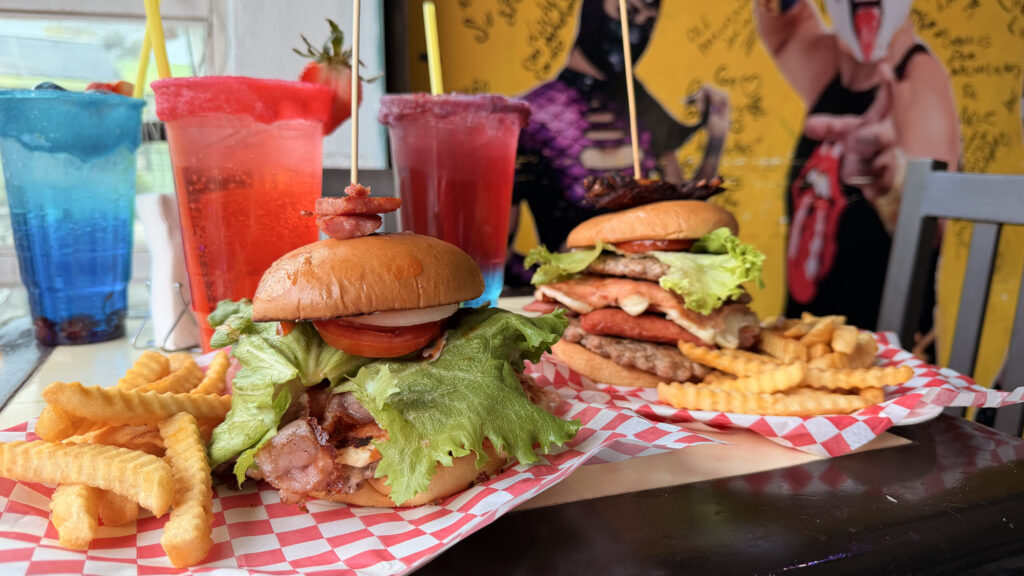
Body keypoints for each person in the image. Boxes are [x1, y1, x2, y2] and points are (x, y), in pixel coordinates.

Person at [754, 0, 959, 330]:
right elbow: (783, 26)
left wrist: (887, 179)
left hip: (884, 362)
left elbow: (930, 228)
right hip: (810, 354)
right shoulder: (836, 69)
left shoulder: (917, 80)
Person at [507, 0, 729, 285]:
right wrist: (556, 276)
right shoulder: (531, 116)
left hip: (649, 282)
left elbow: (680, 216)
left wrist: (716, 140)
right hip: (574, 295)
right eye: (628, 13)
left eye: (648, 23)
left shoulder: (641, 106)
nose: (635, 33)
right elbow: (500, 256)